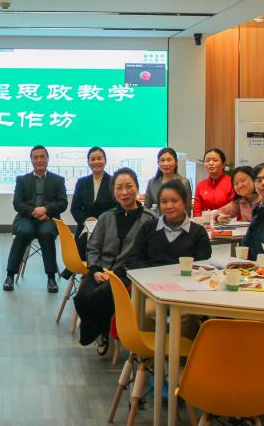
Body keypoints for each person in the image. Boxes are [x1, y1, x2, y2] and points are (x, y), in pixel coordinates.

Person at [73, 168, 153, 351]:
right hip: (100, 270)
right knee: (82, 297)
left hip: (127, 274)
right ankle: (99, 329)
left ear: (137, 187)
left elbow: (144, 255)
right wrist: (95, 270)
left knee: (101, 295)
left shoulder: (149, 219)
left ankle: (101, 331)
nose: (124, 192)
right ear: (113, 192)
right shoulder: (106, 217)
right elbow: (93, 246)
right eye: (119, 188)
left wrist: (116, 273)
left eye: (129, 186)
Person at [3, 145, 68, 293]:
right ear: (31, 160)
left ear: (48, 159)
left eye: (42, 157)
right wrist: (34, 212)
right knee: (23, 232)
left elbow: (63, 203)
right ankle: (10, 275)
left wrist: (46, 210)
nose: (39, 160)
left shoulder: (58, 180)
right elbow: (17, 203)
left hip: (48, 218)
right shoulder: (22, 180)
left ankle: (51, 277)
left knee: (46, 233)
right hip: (27, 217)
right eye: (35, 157)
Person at [130, 180, 213, 269]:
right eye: (164, 202)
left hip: (186, 277)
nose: (169, 206)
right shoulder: (148, 228)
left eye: (174, 201)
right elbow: (135, 259)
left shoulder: (198, 232)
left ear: (185, 202)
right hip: (150, 277)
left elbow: (202, 267)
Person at [68, 146, 115, 260]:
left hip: (107, 229)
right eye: (92, 159)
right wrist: (85, 220)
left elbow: (116, 208)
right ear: (88, 162)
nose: (96, 162)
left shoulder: (113, 182)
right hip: (85, 228)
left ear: (105, 160)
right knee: (83, 246)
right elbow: (75, 208)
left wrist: (100, 222)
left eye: (99, 158)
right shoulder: (82, 182)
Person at [142, 147, 192, 214]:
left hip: (177, 220)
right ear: (158, 163)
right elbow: (146, 209)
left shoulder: (184, 182)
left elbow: (187, 210)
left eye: (169, 160)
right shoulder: (151, 183)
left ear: (176, 162)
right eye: (162, 160)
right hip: (156, 220)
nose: (165, 163)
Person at [193, 148, 235, 218]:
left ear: (223, 164)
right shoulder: (201, 185)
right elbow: (197, 211)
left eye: (215, 160)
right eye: (207, 160)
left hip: (228, 221)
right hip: (206, 223)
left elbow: (235, 207)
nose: (211, 163)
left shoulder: (232, 182)